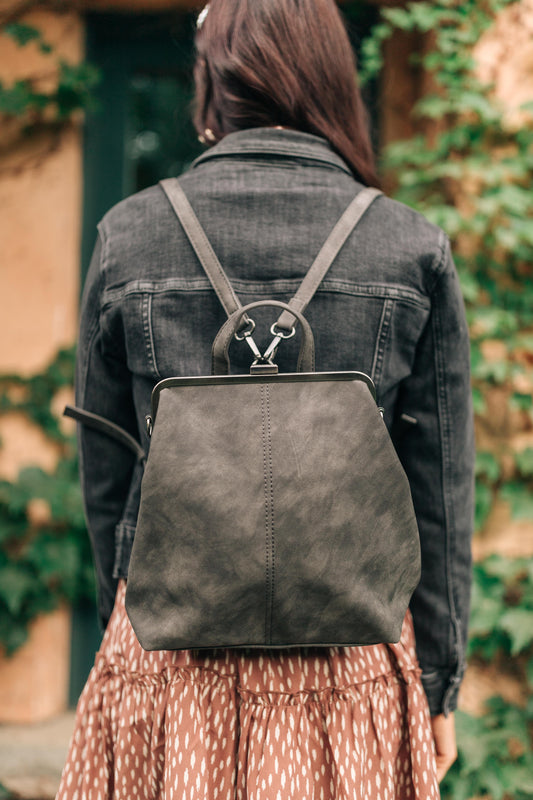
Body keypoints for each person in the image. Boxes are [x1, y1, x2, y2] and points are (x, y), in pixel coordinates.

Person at [56, 0, 474, 797]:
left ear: (211, 84)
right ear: (329, 81)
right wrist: (436, 681)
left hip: (169, 656)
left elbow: (105, 473)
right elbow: (440, 485)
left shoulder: (129, 233)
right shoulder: (408, 245)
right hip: (348, 662)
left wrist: (131, 616)